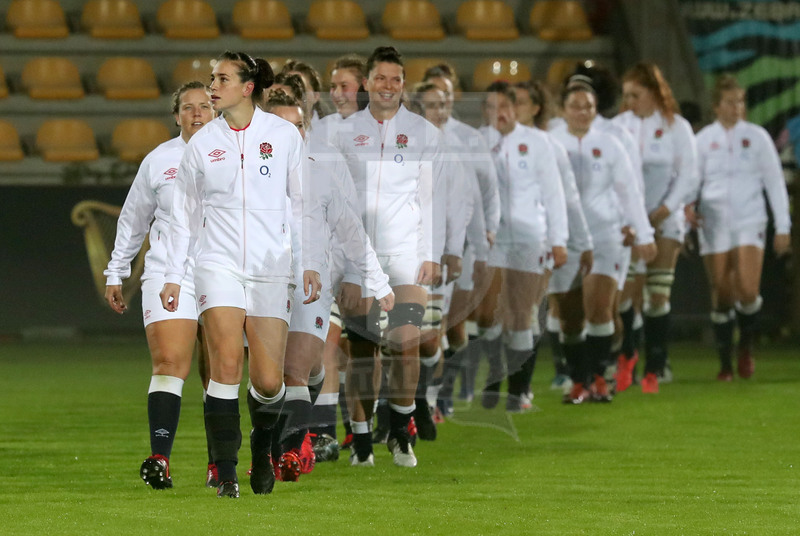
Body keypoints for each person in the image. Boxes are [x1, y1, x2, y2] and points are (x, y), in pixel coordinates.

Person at [160, 51, 322, 499]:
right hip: (218, 264)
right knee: (227, 364)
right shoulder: (201, 144)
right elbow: (184, 214)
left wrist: (308, 260)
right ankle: (227, 472)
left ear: (248, 87)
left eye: (222, 79)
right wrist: (174, 273)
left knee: (268, 383)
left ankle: (262, 446)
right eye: (212, 78)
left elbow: (302, 205)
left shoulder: (283, 136)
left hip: (272, 267)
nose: (212, 86)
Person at [261, 90, 394, 479]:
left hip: (311, 285)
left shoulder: (322, 172)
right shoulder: (248, 176)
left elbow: (351, 230)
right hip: (262, 284)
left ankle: (291, 452)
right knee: (269, 379)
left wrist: (375, 281)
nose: (292, 134)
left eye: (298, 126)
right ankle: (274, 445)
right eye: (282, 126)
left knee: (295, 370)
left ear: (306, 129)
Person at [333, 46, 446, 468]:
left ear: (403, 84)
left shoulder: (423, 133)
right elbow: (334, 200)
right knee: (363, 353)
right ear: (367, 83)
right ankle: (362, 438)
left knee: (405, 342)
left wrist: (431, 254)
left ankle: (400, 429)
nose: (388, 86)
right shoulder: (344, 133)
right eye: (380, 78)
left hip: (404, 253)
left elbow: (432, 200)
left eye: (395, 79)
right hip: (357, 257)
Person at [104, 81, 215, 490]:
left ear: (218, 111)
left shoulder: (236, 156)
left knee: (219, 371)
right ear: (176, 115)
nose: (197, 113)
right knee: (169, 361)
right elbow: (134, 219)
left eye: (205, 106)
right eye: (188, 107)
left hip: (223, 272)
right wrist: (116, 271)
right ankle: (160, 459)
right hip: (169, 272)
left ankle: (219, 464)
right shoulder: (158, 160)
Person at [550, 83, 656, 403]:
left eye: (589, 106)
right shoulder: (550, 143)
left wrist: (644, 233)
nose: (583, 112)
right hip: (565, 238)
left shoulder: (610, 144)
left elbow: (629, 191)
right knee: (570, 319)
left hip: (605, 235)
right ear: (563, 109)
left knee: (599, 310)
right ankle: (578, 380)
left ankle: (598, 378)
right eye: (576, 106)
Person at [688, 74, 791, 380]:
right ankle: (724, 363)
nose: (737, 108)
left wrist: (783, 226)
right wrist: (687, 208)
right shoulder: (703, 140)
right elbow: (692, 180)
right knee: (721, 293)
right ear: (716, 106)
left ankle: (745, 346)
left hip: (750, 219)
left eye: (741, 102)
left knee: (747, 289)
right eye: (730, 102)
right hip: (713, 221)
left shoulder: (757, 138)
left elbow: (774, 182)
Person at [481, 81, 569, 411]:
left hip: (530, 237)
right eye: (493, 107)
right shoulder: (479, 143)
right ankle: (494, 379)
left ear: (515, 108)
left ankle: (517, 393)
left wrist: (559, 240)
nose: (500, 113)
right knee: (489, 315)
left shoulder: (536, 143)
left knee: (520, 314)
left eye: (506, 106)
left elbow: (553, 193)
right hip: (492, 239)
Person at [613, 62, 699, 393]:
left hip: (665, 220)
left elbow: (689, 175)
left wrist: (664, 210)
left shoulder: (676, 127)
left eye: (635, 95)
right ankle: (629, 356)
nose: (629, 102)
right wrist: (631, 218)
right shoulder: (618, 127)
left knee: (658, 294)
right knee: (627, 298)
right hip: (630, 224)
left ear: (653, 92)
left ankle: (656, 366)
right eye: (626, 95)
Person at [422, 65, 500, 412]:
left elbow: (480, 196)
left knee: (446, 325)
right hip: (413, 252)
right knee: (427, 328)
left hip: (452, 250)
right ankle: (429, 399)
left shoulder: (465, 141)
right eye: (431, 104)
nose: (439, 110)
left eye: (444, 101)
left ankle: (441, 394)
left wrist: (482, 244)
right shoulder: (402, 144)